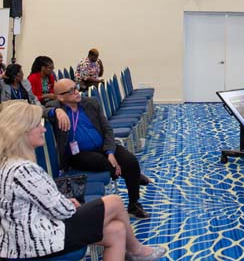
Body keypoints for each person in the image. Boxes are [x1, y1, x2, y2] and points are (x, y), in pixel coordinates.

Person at [0, 101, 166, 261]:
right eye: (38, 125)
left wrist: (64, 202)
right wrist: (68, 204)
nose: (43, 129)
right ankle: (136, 250)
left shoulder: (9, 163)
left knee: (117, 230)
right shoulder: (23, 170)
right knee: (114, 202)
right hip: (36, 242)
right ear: (22, 131)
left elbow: (40, 203)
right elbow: (62, 211)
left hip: (25, 237)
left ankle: (135, 252)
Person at [46, 79, 151, 219]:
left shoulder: (91, 103)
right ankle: (133, 175)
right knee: (102, 162)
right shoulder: (57, 107)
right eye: (71, 91)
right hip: (78, 155)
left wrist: (110, 152)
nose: (77, 92)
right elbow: (39, 110)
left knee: (130, 161)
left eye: (76, 87)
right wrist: (56, 111)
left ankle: (134, 205)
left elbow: (107, 129)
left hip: (102, 146)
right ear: (60, 97)